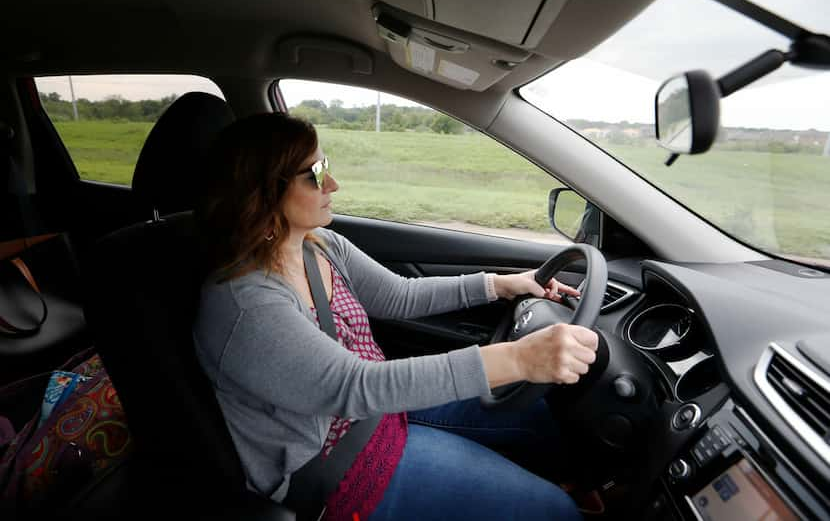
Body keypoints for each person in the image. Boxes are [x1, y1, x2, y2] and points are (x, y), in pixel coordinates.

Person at [193, 113, 599, 521]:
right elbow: (355, 386)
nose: (332, 184)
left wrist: (501, 284)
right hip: (334, 463)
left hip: (377, 412)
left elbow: (399, 295)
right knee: (552, 511)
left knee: (536, 417)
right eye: (314, 174)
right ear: (264, 192)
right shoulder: (245, 306)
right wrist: (517, 358)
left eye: (326, 166)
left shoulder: (321, 246)